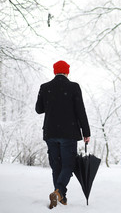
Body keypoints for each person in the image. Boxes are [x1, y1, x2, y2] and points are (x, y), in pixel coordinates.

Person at [35, 60, 91, 209]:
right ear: (67, 72)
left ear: (55, 71)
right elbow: (81, 110)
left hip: (50, 132)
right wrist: (86, 132)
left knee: (56, 165)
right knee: (68, 164)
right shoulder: (73, 87)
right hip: (69, 133)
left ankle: (61, 197)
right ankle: (59, 192)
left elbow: (39, 109)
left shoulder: (45, 87)